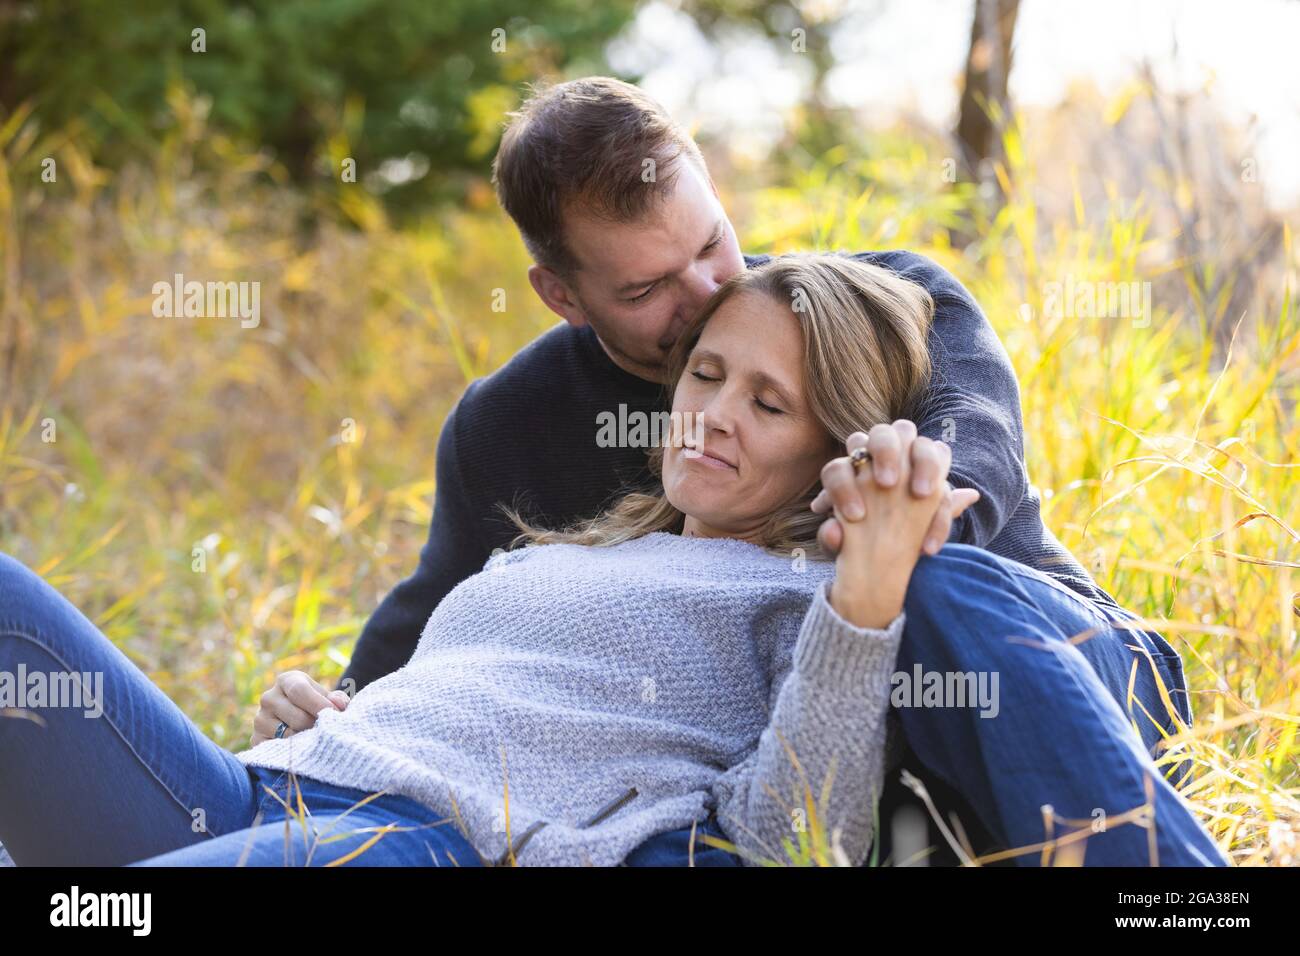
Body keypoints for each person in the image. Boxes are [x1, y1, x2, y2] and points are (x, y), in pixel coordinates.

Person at [249, 77, 1221, 865]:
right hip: (843, 746)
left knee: (927, 583)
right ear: (561, 294)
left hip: (1051, 676)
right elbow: (442, 612)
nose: (710, 288)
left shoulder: (880, 304)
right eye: (647, 287)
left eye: (710, 241)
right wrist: (337, 709)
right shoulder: (507, 425)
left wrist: (873, 538)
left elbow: (976, 443)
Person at [0, 254, 1224, 866]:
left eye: (769, 403)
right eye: (705, 374)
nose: (713, 414)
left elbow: (792, 826)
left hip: (408, 835)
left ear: (830, 449)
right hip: (261, 782)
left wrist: (864, 591)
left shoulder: (807, 601)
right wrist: (331, 709)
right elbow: (489, 691)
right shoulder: (583, 541)